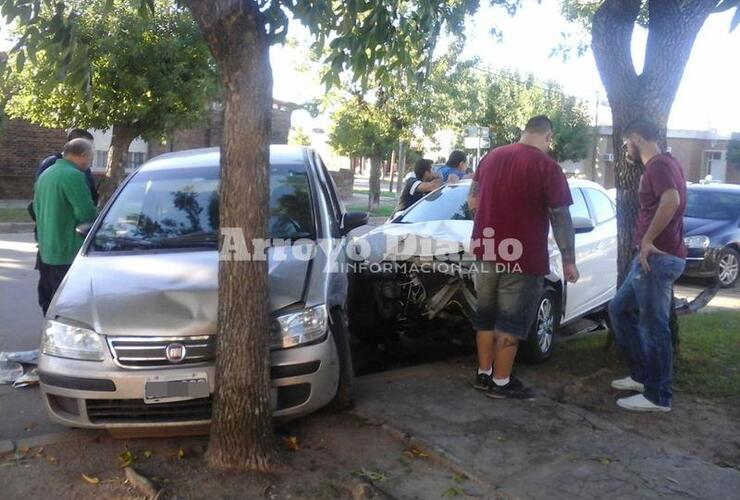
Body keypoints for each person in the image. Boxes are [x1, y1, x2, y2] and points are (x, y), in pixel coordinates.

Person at [467, 115, 579, 399]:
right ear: (548, 136)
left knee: (485, 317)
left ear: (524, 131)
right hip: (523, 256)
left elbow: (472, 200)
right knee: (510, 321)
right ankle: (501, 383)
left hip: (486, 249)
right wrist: (569, 259)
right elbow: (561, 216)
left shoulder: (490, 158)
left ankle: (484, 374)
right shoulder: (548, 167)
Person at [608, 118, 687, 413]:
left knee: (655, 328)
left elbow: (672, 199)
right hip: (652, 258)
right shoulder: (668, 163)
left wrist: (647, 240)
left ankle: (658, 396)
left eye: (627, 140)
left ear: (637, 138)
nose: (626, 147)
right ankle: (642, 377)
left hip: (657, 257)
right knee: (618, 309)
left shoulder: (658, 166)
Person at [34, 138, 98, 315]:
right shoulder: (74, 175)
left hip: (46, 250)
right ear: (83, 155)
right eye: (91, 158)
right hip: (67, 251)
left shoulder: (46, 174)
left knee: (49, 302)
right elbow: (87, 214)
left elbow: (34, 208)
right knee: (67, 306)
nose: (90, 162)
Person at [35, 128, 99, 204]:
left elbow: (91, 194)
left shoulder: (85, 168)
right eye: (87, 147)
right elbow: (41, 193)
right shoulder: (50, 163)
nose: (90, 152)